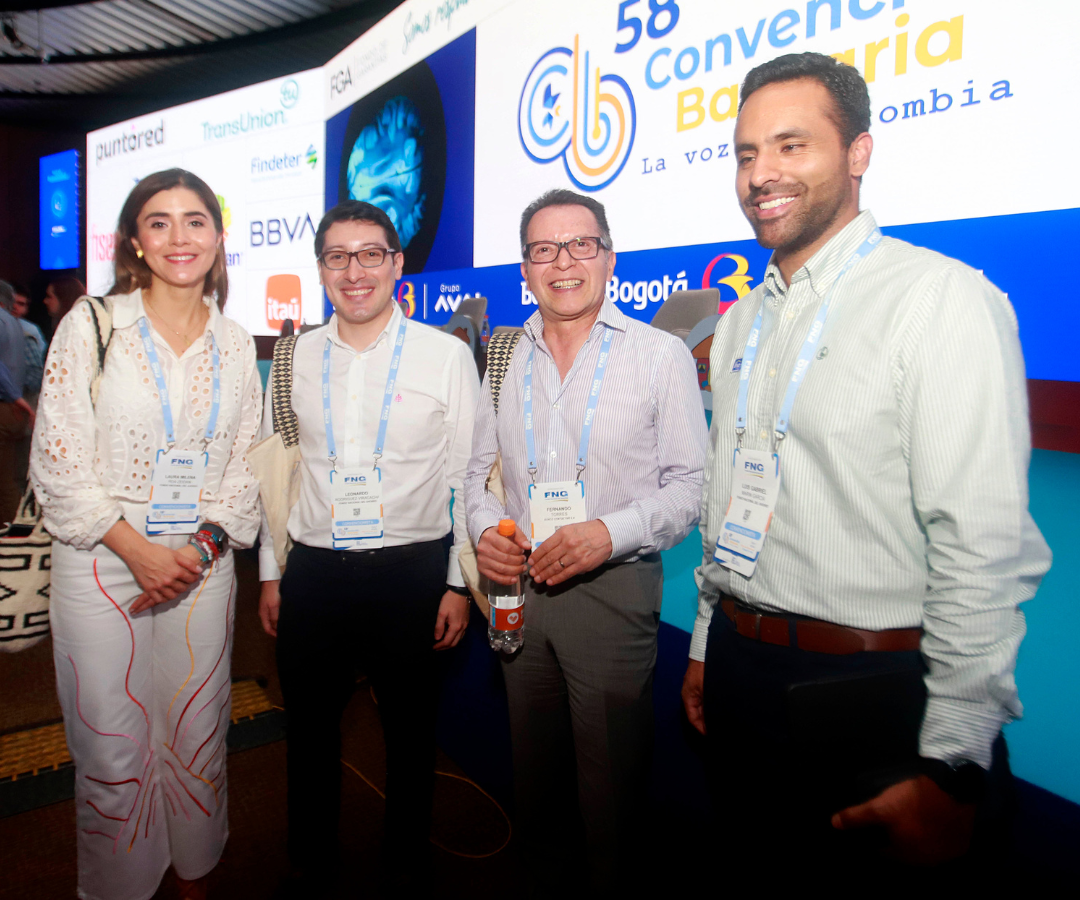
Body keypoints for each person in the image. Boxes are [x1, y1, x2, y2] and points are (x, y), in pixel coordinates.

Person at [681, 52, 1052, 876]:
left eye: (790, 146)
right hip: (744, 671)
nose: (760, 175)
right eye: (746, 154)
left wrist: (953, 765)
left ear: (858, 153)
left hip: (872, 697)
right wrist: (709, 644)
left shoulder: (940, 300)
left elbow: (981, 543)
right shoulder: (741, 325)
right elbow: (728, 506)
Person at [464, 189, 707, 894]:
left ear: (609, 258)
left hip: (613, 593)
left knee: (610, 795)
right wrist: (484, 532)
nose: (562, 262)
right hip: (519, 592)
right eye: (544, 249)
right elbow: (477, 476)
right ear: (525, 269)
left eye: (579, 245)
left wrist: (611, 533)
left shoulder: (659, 356)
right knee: (533, 783)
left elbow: (692, 487)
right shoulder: (506, 356)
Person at [30, 168, 263, 900]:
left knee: (198, 736)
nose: (179, 236)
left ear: (218, 238)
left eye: (195, 220)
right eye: (158, 222)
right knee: (111, 745)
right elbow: (56, 460)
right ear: (135, 240)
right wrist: (138, 550)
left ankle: (193, 877)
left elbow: (246, 465)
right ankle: (124, 887)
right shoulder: (93, 324)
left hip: (201, 560)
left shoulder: (234, 343)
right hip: (101, 557)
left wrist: (195, 552)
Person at [256, 199, 479, 894]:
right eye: (338, 256)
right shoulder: (294, 357)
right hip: (315, 572)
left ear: (397, 263)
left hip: (412, 573)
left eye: (370, 254)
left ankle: (406, 863)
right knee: (311, 732)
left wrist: (456, 584)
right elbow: (277, 473)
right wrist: (271, 574)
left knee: (412, 736)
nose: (355, 271)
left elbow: (466, 476)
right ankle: (310, 860)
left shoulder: (446, 357)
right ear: (321, 268)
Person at [9, 282, 46, 489]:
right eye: (14, 302)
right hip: (17, 405)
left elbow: (35, 374)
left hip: (23, 408)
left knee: (17, 472)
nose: (17, 308)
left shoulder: (29, 331)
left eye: (22, 304)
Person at [0, 281, 31, 522]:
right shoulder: (17, 325)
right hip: (14, 410)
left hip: (6, 404)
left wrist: (16, 398)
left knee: (5, 480)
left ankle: (9, 533)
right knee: (9, 477)